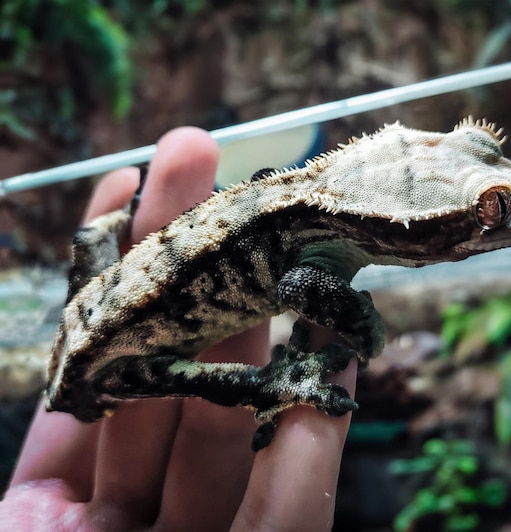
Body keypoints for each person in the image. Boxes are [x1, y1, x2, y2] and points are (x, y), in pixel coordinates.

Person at [0, 127, 357, 531]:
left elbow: (199, 379)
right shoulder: (107, 368)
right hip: (106, 341)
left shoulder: (104, 358)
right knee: (186, 374)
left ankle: (271, 386)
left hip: (109, 334)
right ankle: (271, 386)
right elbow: (88, 242)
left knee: (189, 376)